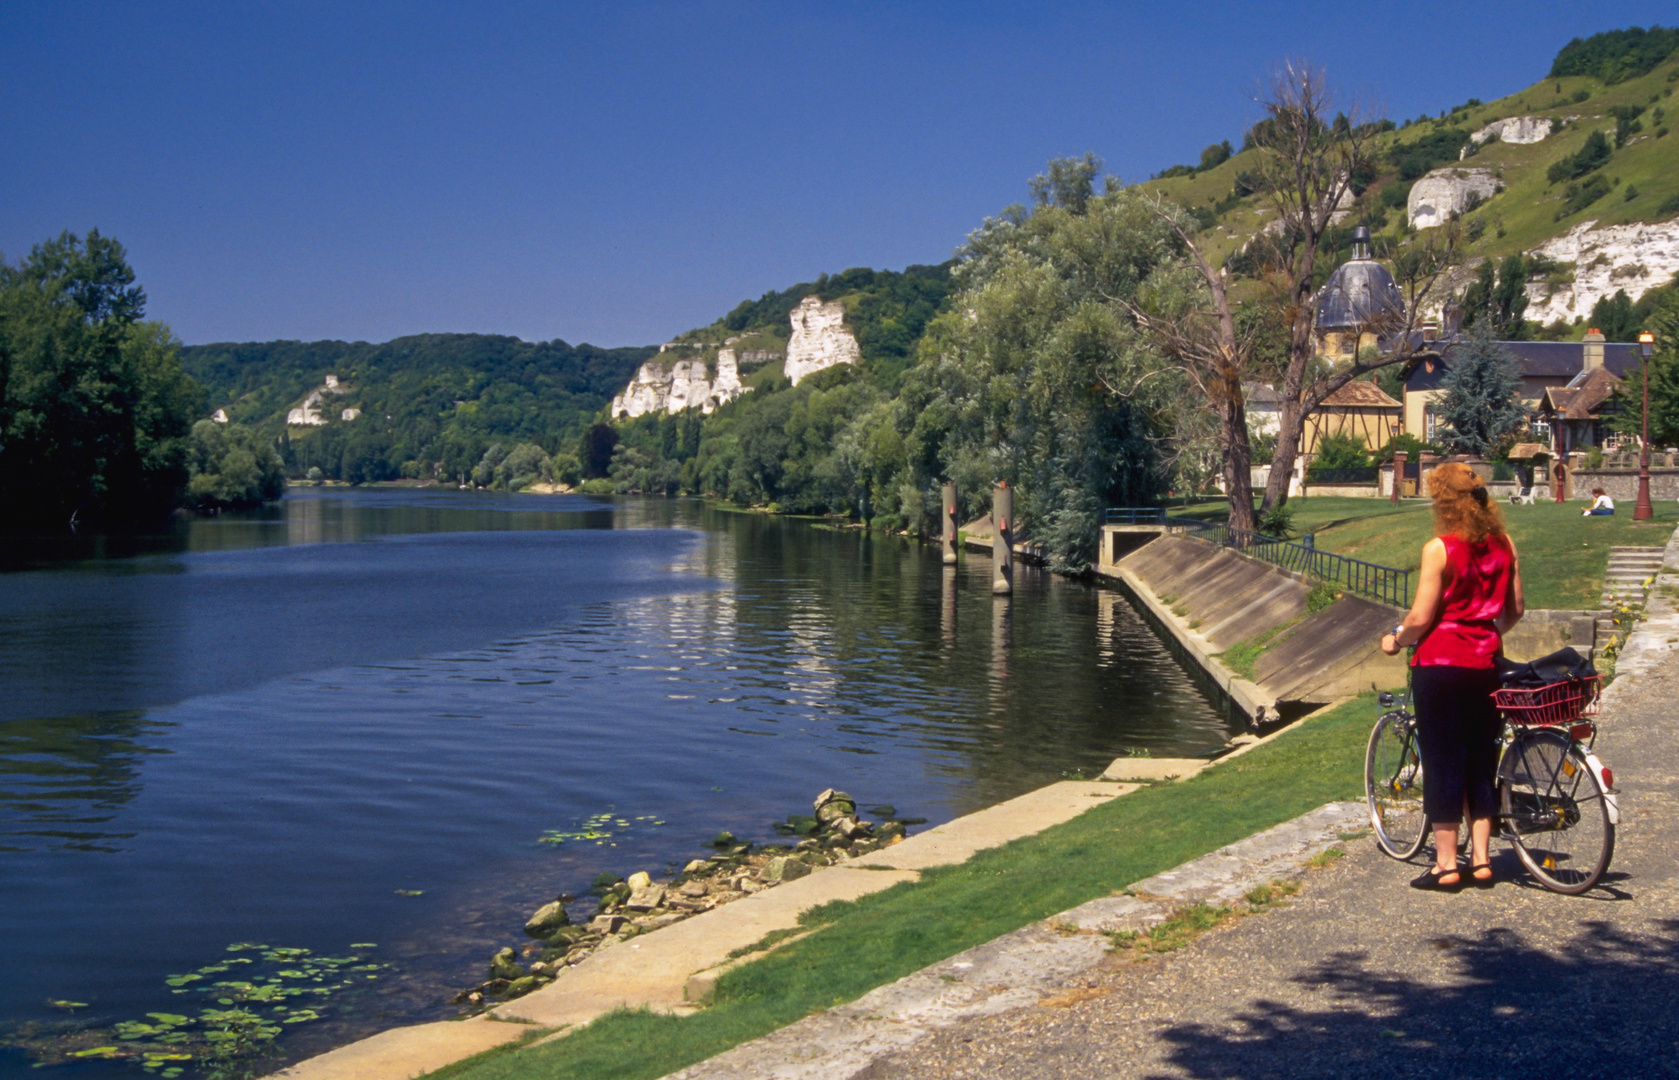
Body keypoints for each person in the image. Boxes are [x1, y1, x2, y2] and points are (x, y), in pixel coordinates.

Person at [1381, 462, 1524, 891]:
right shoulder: (1505, 543)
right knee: (1482, 758)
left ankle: (1446, 864)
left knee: (1443, 760)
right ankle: (1481, 860)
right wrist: (1484, 634)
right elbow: (1515, 610)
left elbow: (1422, 616)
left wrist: (1396, 638)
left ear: (1442, 502)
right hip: (1486, 666)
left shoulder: (1439, 548)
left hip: (1441, 666)